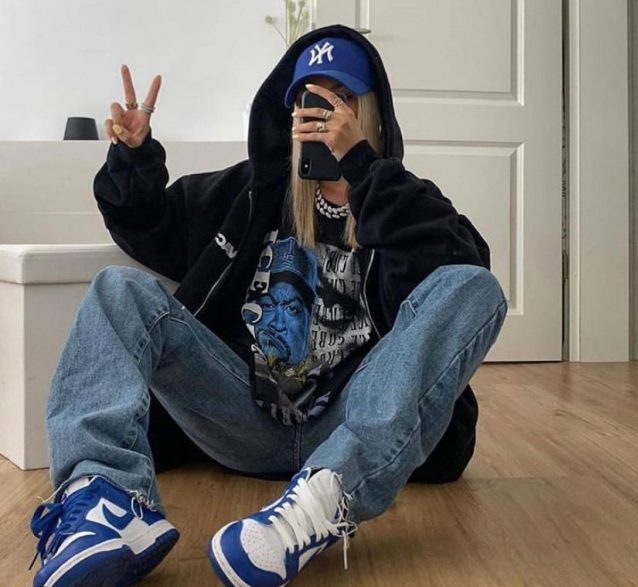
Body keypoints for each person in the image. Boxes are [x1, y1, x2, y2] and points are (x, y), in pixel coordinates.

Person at [28, 24, 507, 587]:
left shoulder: (403, 199)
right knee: (116, 289)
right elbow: (151, 227)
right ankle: (108, 505)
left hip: (356, 424)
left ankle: (325, 497)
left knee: (475, 286)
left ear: (371, 114)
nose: (324, 114)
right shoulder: (249, 192)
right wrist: (134, 160)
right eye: (310, 99)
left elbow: (459, 272)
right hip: (241, 416)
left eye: (341, 98)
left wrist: (362, 168)